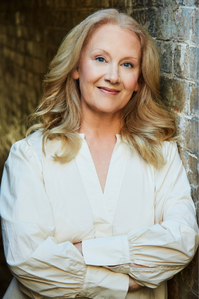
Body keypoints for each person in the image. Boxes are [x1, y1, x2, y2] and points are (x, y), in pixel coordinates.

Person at [0, 8, 198, 299]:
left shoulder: (161, 155)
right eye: (101, 59)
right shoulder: (30, 156)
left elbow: (181, 241)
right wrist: (120, 283)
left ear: (139, 80)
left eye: (128, 64)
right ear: (77, 67)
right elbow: (29, 262)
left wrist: (84, 253)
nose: (113, 76)